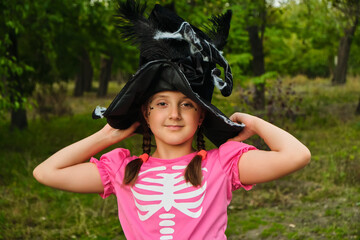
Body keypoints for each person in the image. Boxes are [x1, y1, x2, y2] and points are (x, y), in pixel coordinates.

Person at [33, 1, 311, 239]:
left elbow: (297, 155)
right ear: (146, 113)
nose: (174, 114)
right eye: (162, 104)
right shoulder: (122, 170)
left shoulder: (222, 164)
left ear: (201, 115)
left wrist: (254, 122)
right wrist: (106, 136)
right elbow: (46, 172)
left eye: (187, 104)